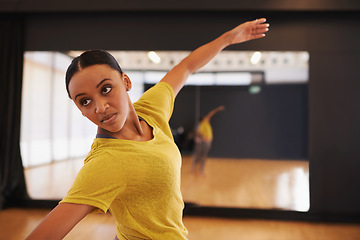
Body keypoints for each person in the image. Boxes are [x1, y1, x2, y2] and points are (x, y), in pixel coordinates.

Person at [26, 18, 269, 240]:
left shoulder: (151, 109)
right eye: (85, 101)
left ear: (126, 82)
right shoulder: (106, 162)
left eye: (106, 89)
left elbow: (186, 67)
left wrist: (228, 38)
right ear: (80, 109)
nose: (99, 107)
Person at [191, 105, 225, 175]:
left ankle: (201, 171)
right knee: (197, 155)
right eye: (206, 117)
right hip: (203, 143)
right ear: (203, 119)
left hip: (207, 142)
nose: (208, 118)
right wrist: (218, 108)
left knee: (203, 157)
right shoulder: (202, 124)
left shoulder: (206, 124)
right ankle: (193, 168)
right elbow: (198, 133)